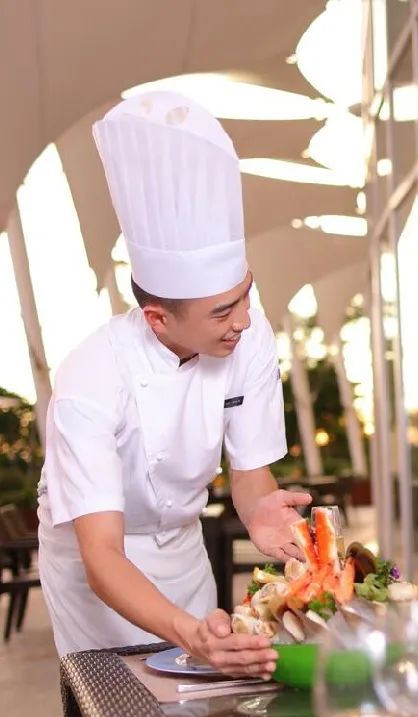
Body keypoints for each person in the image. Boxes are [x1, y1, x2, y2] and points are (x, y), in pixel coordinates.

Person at [37, 91, 308, 677]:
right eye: (221, 312)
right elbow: (101, 554)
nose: (242, 321)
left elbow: (250, 471)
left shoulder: (251, 335)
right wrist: (186, 631)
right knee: (116, 707)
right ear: (158, 317)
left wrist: (260, 513)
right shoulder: (90, 380)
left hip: (182, 548)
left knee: (203, 698)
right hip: (98, 567)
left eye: (245, 296)